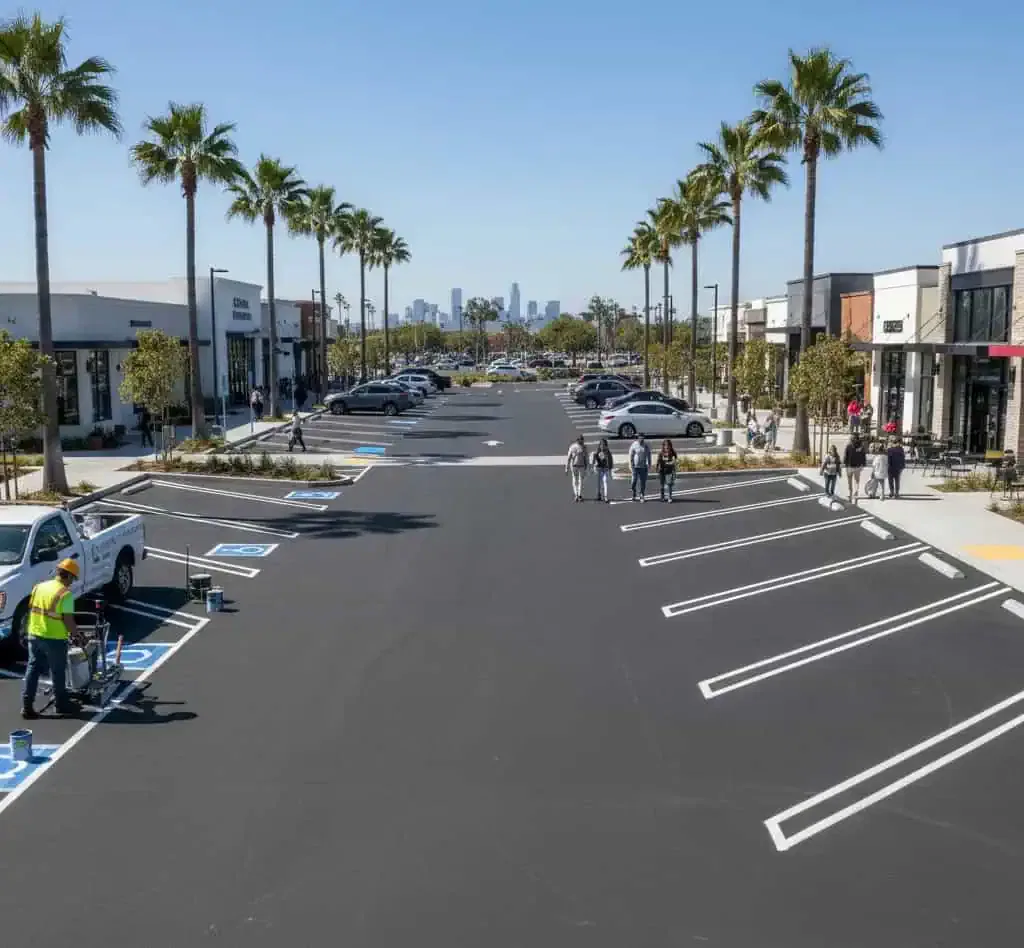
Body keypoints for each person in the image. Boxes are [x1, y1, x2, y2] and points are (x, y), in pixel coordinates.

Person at [22, 558, 80, 719]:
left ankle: (27, 705)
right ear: (67, 576)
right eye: (72, 579)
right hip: (54, 638)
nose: (72, 583)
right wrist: (77, 636)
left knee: (32, 669)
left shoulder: (39, 587)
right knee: (58, 671)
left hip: (34, 634)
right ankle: (61, 705)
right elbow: (68, 620)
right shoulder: (65, 594)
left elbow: (32, 610)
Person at [843, 434, 867, 504]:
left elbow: (845, 456)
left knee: (850, 480)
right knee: (856, 480)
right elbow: (863, 456)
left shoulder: (848, 446)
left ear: (852, 439)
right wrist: (863, 464)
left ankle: (850, 493)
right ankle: (856, 492)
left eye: (851, 438)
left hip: (850, 466)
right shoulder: (861, 447)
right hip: (857, 466)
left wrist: (845, 464)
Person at [629, 433, 651, 502]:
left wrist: (649, 463)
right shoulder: (634, 445)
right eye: (640, 438)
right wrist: (631, 464)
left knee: (643, 482)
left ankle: (642, 495)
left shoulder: (646, 446)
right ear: (638, 438)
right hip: (635, 466)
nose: (641, 439)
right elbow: (631, 455)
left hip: (643, 467)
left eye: (642, 438)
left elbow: (649, 455)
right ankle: (634, 492)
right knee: (633, 482)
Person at [565, 435, 589, 502]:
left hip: (582, 465)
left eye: (582, 440)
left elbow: (587, 458)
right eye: (580, 440)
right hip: (574, 466)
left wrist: (587, 466)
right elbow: (569, 457)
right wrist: (566, 467)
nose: (581, 441)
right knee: (575, 480)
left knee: (580, 481)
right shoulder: (573, 447)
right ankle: (576, 494)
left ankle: (579, 494)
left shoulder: (584, 447)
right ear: (577, 440)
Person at [592, 438, 614, 503]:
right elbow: (594, 461)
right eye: (601, 445)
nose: (602, 446)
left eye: (604, 445)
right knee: (599, 483)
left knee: (605, 482)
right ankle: (599, 495)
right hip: (599, 469)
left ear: (606, 445)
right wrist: (594, 466)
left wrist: (610, 468)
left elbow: (610, 460)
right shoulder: (597, 451)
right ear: (599, 445)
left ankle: (606, 497)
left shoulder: (608, 452)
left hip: (605, 469)